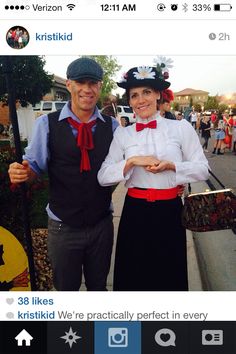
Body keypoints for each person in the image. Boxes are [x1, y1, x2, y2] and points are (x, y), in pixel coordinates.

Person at [8, 57, 119, 291]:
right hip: (63, 226)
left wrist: (168, 178)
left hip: (101, 225)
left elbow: (128, 164)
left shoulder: (113, 127)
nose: (87, 89)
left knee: (99, 288)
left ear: (100, 87)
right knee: (65, 290)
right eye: (81, 82)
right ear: (69, 85)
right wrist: (22, 172)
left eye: (93, 83)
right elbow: (34, 168)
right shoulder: (46, 125)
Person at [98, 65, 209, 291]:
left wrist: (173, 167)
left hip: (170, 212)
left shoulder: (181, 128)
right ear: (129, 101)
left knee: (169, 278)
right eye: (134, 95)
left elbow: (203, 169)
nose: (141, 100)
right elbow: (103, 176)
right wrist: (130, 162)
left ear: (158, 94)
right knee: (133, 279)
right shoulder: (123, 134)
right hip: (135, 212)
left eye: (147, 92)